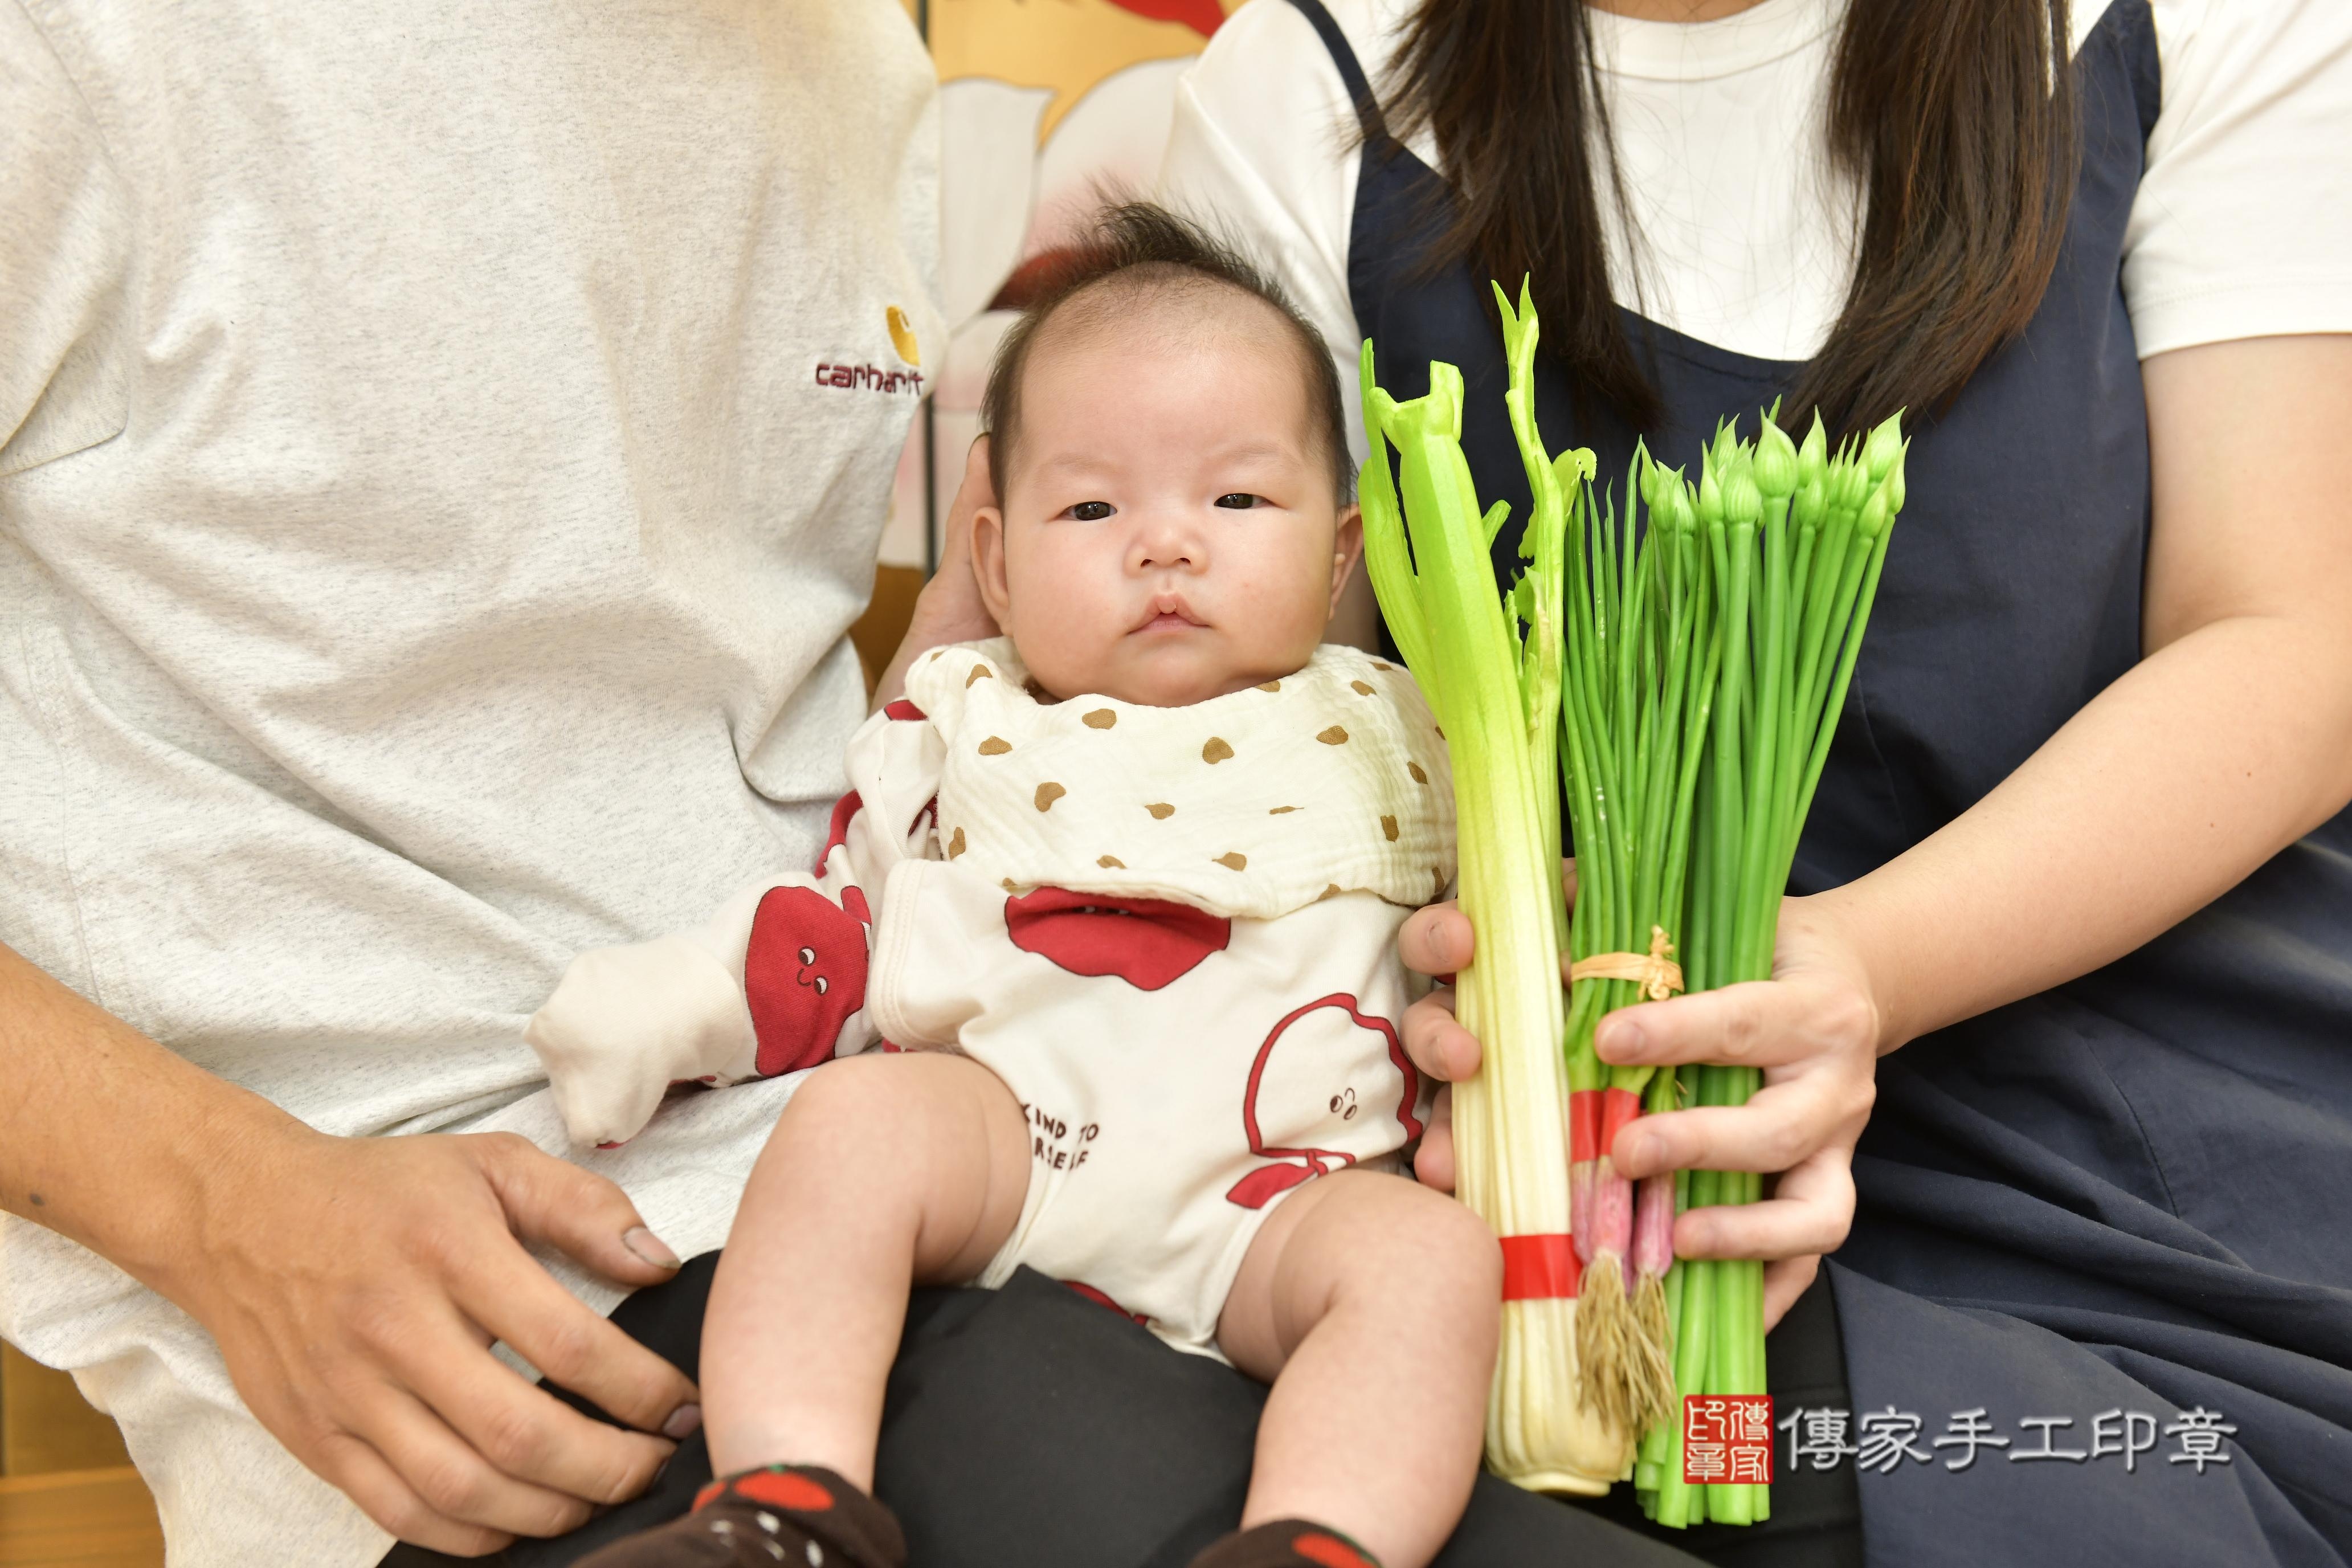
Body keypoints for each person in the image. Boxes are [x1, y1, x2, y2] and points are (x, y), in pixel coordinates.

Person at [1158, 0, 2352, 1562]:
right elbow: (1231, 719)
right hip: (1593, 1180)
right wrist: (1434, 981)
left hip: (2126, 1138)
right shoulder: (1308, 77)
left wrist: (1861, 967)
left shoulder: (2198, 27)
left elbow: (2293, 635)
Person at [526, 205, 1498, 1568]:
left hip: (1279, 1202)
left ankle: (1320, 1541)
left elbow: (1497, 931)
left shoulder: (1409, 732)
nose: (1166, 545)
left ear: (1340, 556)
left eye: (1236, 500)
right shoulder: (965, 715)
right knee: (852, 1124)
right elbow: (842, 919)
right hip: (1006, 1142)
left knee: (1429, 1263)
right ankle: (784, 1502)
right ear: (994, 560)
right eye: (1092, 508)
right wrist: (678, 1003)